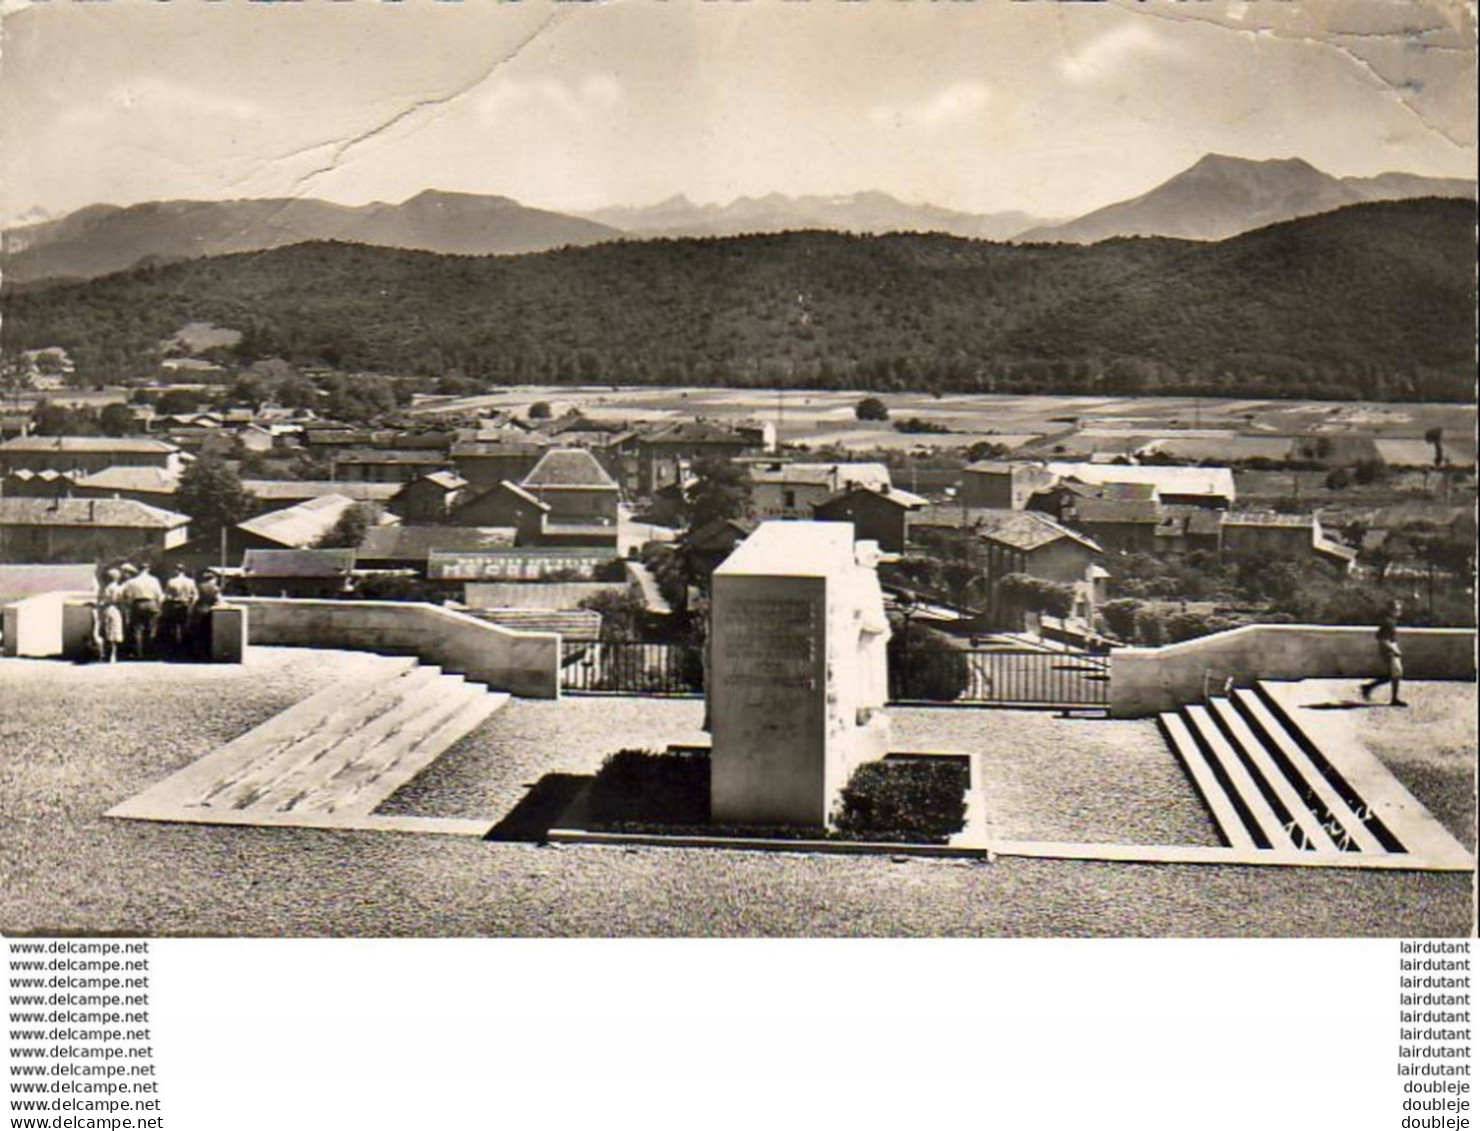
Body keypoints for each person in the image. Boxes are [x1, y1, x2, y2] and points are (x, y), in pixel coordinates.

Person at [1360, 600, 1407, 707]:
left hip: (1390, 648)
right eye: (1396, 609)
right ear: (1391, 610)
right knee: (1396, 673)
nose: (1399, 611)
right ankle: (1393, 698)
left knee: (1395, 674)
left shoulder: (1391, 621)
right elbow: (1381, 638)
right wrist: (1393, 649)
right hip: (1388, 649)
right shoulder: (1388, 622)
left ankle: (1369, 687)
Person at [121, 562, 165, 660]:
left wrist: (130, 605)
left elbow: (126, 595)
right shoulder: (154, 580)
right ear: (148, 569)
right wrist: (159, 606)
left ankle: (138, 653)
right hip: (151, 603)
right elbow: (159, 595)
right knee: (152, 628)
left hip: (137, 604)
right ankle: (151, 653)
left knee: (137, 630)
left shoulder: (132, 581)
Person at [161, 564, 198, 657]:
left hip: (174, 605)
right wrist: (191, 604)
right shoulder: (191, 581)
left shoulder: (171, 581)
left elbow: (166, 595)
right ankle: (184, 648)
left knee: (173, 627)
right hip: (185, 605)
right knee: (184, 626)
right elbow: (196, 595)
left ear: (176, 570)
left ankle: (174, 648)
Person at [95, 568, 127, 664]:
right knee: (114, 632)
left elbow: (101, 601)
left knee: (107, 632)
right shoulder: (118, 588)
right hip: (115, 609)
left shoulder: (105, 588)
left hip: (107, 609)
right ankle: (113, 655)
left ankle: (106, 655)